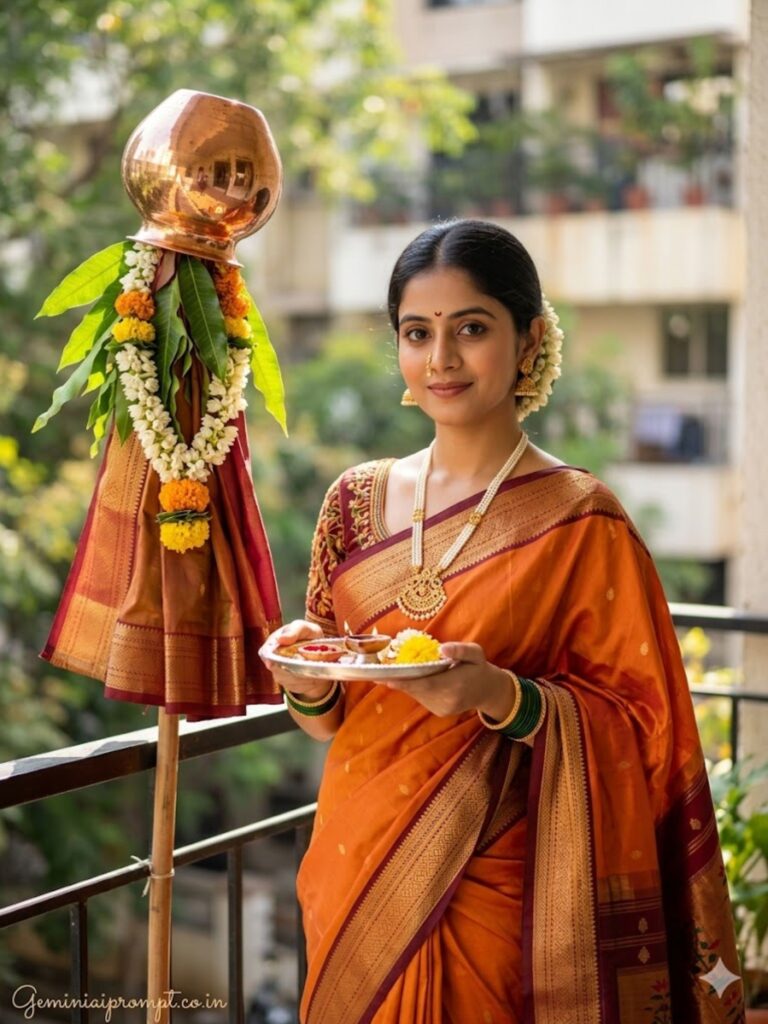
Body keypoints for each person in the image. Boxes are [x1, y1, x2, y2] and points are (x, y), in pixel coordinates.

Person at [261, 220, 744, 1024]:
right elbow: (331, 716)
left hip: (507, 883)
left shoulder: (582, 518)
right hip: (356, 866)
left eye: (472, 329)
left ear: (529, 342)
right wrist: (303, 680)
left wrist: (505, 698)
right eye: (418, 333)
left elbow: (641, 726)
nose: (441, 359)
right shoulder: (353, 503)